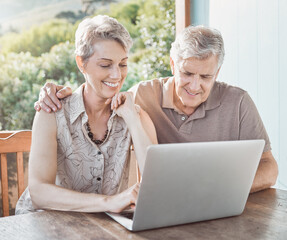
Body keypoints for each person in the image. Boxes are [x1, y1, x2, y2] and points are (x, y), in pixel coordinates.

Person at [34, 25, 278, 193]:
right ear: (172, 64)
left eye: (206, 76)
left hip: (225, 203)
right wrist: (53, 92)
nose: (195, 86)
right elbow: (102, 88)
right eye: (187, 73)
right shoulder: (144, 95)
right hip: (168, 205)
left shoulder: (238, 102)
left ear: (217, 72)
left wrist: (218, 189)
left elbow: (269, 168)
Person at [16, 15, 157, 215]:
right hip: (45, 222)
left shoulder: (134, 114)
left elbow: (158, 183)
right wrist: (110, 202)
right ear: (81, 63)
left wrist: (133, 120)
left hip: (100, 227)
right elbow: (39, 193)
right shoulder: (52, 112)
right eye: (105, 65)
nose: (117, 75)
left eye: (123, 64)